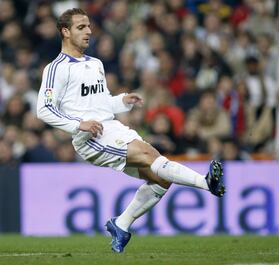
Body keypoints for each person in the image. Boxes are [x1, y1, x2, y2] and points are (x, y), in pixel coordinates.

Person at [36, 8, 225, 253]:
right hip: (90, 137)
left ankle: (121, 225)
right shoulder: (57, 68)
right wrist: (77, 125)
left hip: (112, 127)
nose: (89, 31)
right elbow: (44, 109)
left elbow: (100, 103)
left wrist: (122, 101)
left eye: (89, 26)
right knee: (150, 156)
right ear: (65, 31)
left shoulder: (95, 64)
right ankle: (206, 182)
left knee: (161, 177)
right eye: (81, 27)